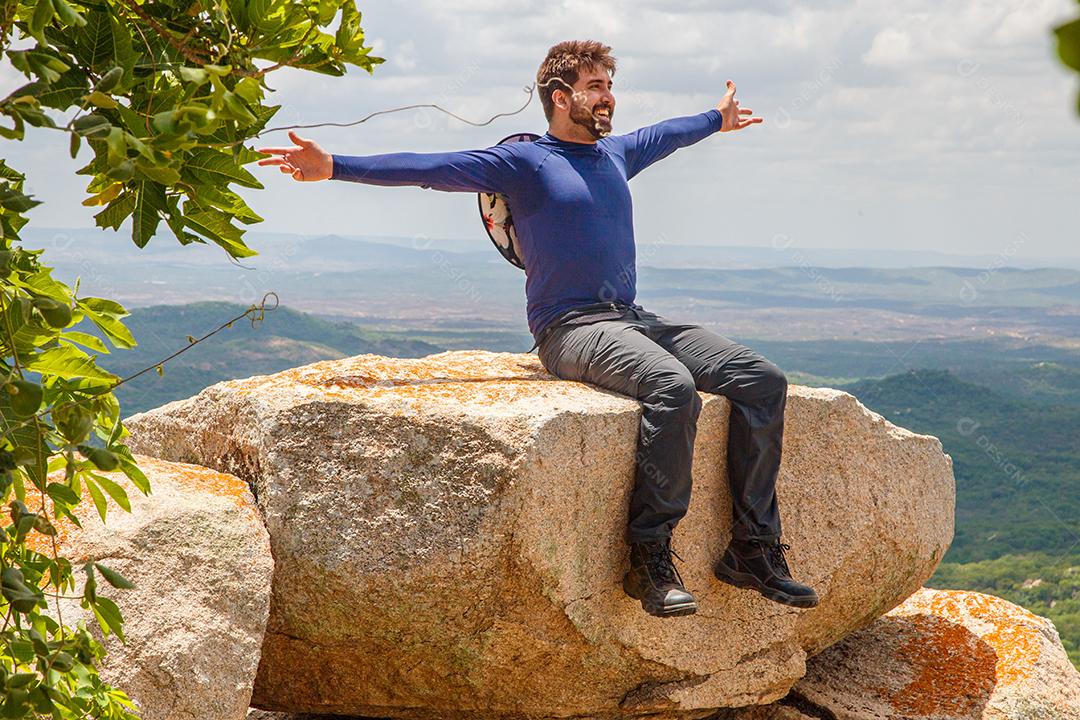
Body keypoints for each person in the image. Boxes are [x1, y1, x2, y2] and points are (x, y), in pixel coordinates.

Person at [257, 39, 819, 618]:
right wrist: (334, 167)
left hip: (630, 318)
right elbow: (432, 168)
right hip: (569, 328)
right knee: (672, 386)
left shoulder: (616, 154)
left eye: (609, 85)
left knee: (761, 379)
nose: (609, 98)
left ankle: (752, 548)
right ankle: (648, 555)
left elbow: (669, 133)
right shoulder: (526, 164)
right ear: (560, 96)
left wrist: (715, 119)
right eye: (596, 87)